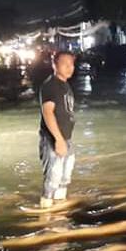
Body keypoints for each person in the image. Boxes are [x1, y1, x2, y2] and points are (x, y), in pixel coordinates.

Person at [38, 51, 76, 208]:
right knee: (53, 178)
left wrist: (64, 140)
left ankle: (60, 211)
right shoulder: (50, 85)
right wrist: (58, 140)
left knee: (64, 178)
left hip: (66, 138)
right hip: (53, 139)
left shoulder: (65, 84)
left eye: (71, 64)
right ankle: (45, 215)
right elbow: (47, 112)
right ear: (54, 65)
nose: (69, 67)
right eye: (65, 64)